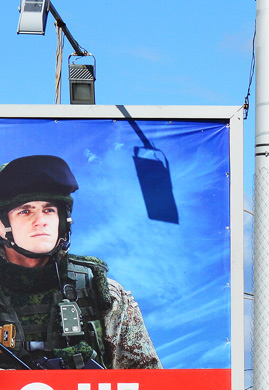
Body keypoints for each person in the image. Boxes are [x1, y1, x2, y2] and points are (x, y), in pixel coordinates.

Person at [0, 155, 160, 369]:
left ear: (63, 221)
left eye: (49, 210)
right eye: (25, 211)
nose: (40, 222)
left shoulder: (103, 294)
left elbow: (147, 387)